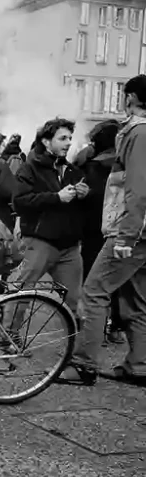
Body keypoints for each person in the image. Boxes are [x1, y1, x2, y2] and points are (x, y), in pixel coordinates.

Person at [62, 75, 146, 384]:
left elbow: (138, 188)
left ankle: (85, 364)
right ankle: (139, 365)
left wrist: (127, 233)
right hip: (141, 233)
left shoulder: (138, 132)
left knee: (95, 292)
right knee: (138, 299)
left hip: (131, 231)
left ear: (132, 97)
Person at [11, 118, 87, 320]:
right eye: (62, 138)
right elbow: (20, 201)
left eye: (70, 138)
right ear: (46, 141)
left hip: (69, 246)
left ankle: (72, 345)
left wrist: (83, 194)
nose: (69, 142)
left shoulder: (71, 170)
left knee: (73, 300)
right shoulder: (29, 168)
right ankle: (9, 338)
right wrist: (56, 197)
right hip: (39, 241)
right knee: (22, 293)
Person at [73, 119, 127, 344]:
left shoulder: (89, 165)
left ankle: (92, 331)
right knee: (119, 283)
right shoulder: (125, 165)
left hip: (92, 230)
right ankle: (115, 327)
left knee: (93, 284)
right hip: (118, 229)